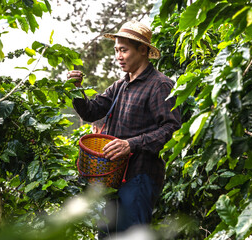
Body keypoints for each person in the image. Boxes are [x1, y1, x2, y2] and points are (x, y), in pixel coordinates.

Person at [68, 20, 181, 237]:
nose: (118, 56)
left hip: (139, 177)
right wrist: (76, 89)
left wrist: (131, 144)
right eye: (116, 50)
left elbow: (172, 129)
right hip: (111, 177)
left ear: (143, 50)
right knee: (106, 234)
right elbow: (91, 111)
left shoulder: (160, 85)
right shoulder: (120, 86)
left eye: (124, 50)